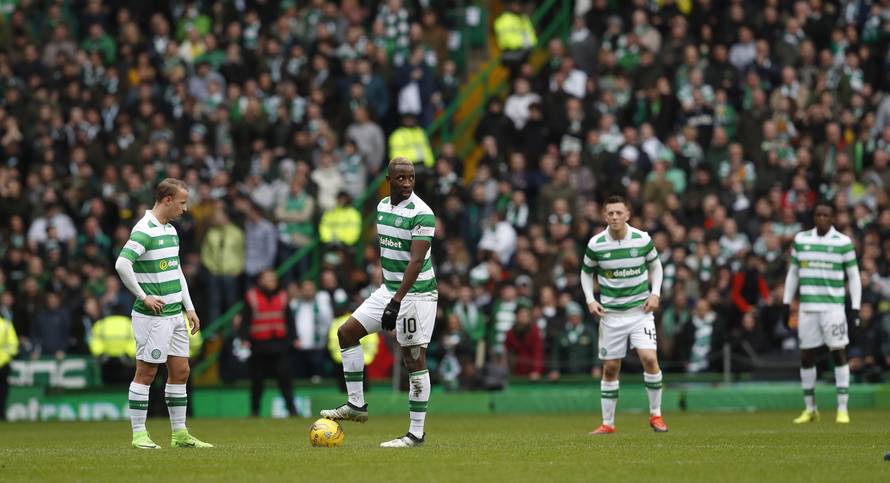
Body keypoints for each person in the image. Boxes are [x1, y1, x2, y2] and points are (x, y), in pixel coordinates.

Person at [320, 157, 437, 448]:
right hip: (389, 289)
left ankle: (416, 435)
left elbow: (417, 261)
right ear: (388, 179)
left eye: (411, 177)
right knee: (346, 333)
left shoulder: (423, 213)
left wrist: (396, 302)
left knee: (413, 359)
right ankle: (356, 405)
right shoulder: (382, 208)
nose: (407, 183)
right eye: (400, 178)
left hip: (417, 294)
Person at [114, 178, 212, 449]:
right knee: (146, 373)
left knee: (181, 371)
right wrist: (143, 296)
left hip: (174, 314)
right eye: (182, 202)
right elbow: (122, 264)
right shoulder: (144, 229)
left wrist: (189, 307)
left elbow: (176, 270)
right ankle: (138, 435)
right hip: (153, 317)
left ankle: (180, 435)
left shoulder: (169, 230)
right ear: (167, 200)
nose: (185, 208)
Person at [580, 195, 668, 434]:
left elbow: (656, 265)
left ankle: (656, 415)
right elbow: (586, 273)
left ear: (628, 215)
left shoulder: (642, 239)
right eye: (611, 213)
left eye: (619, 212)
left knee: (649, 359)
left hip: (640, 312)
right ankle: (608, 423)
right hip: (611, 316)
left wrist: (655, 293)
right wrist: (590, 299)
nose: (615, 217)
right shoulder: (596, 244)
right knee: (610, 368)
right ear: (604, 216)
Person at [782, 201, 860, 424]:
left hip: (833, 307)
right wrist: (787, 302)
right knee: (806, 355)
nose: (822, 218)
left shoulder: (842, 242)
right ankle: (810, 408)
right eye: (818, 215)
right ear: (814, 217)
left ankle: (842, 408)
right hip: (807, 308)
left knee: (839, 352)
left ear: (833, 218)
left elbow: (853, 276)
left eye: (826, 215)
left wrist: (855, 307)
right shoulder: (801, 240)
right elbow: (793, 272)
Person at [238, 269, 298, 417]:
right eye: (268, 279)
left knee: (285, 380)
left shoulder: (283, 295)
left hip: (280, 344)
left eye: (273, 279)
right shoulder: (251, 297)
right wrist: (244, 339)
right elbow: (245, 320)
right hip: (259, 345)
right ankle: (255, 411)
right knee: (257, 381)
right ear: (260, 281)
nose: (271, 281)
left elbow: (289, 319)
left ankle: (292, 410)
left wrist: (295, 337)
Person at [0, 314, 19, 421]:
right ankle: (2, 413)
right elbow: (14, 346)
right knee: (3, 391)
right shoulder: (6, 324)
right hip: (4, 362)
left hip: (3, 363)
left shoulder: (6, 324)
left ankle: (1, 413)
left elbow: (13, 345)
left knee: (2, 390)